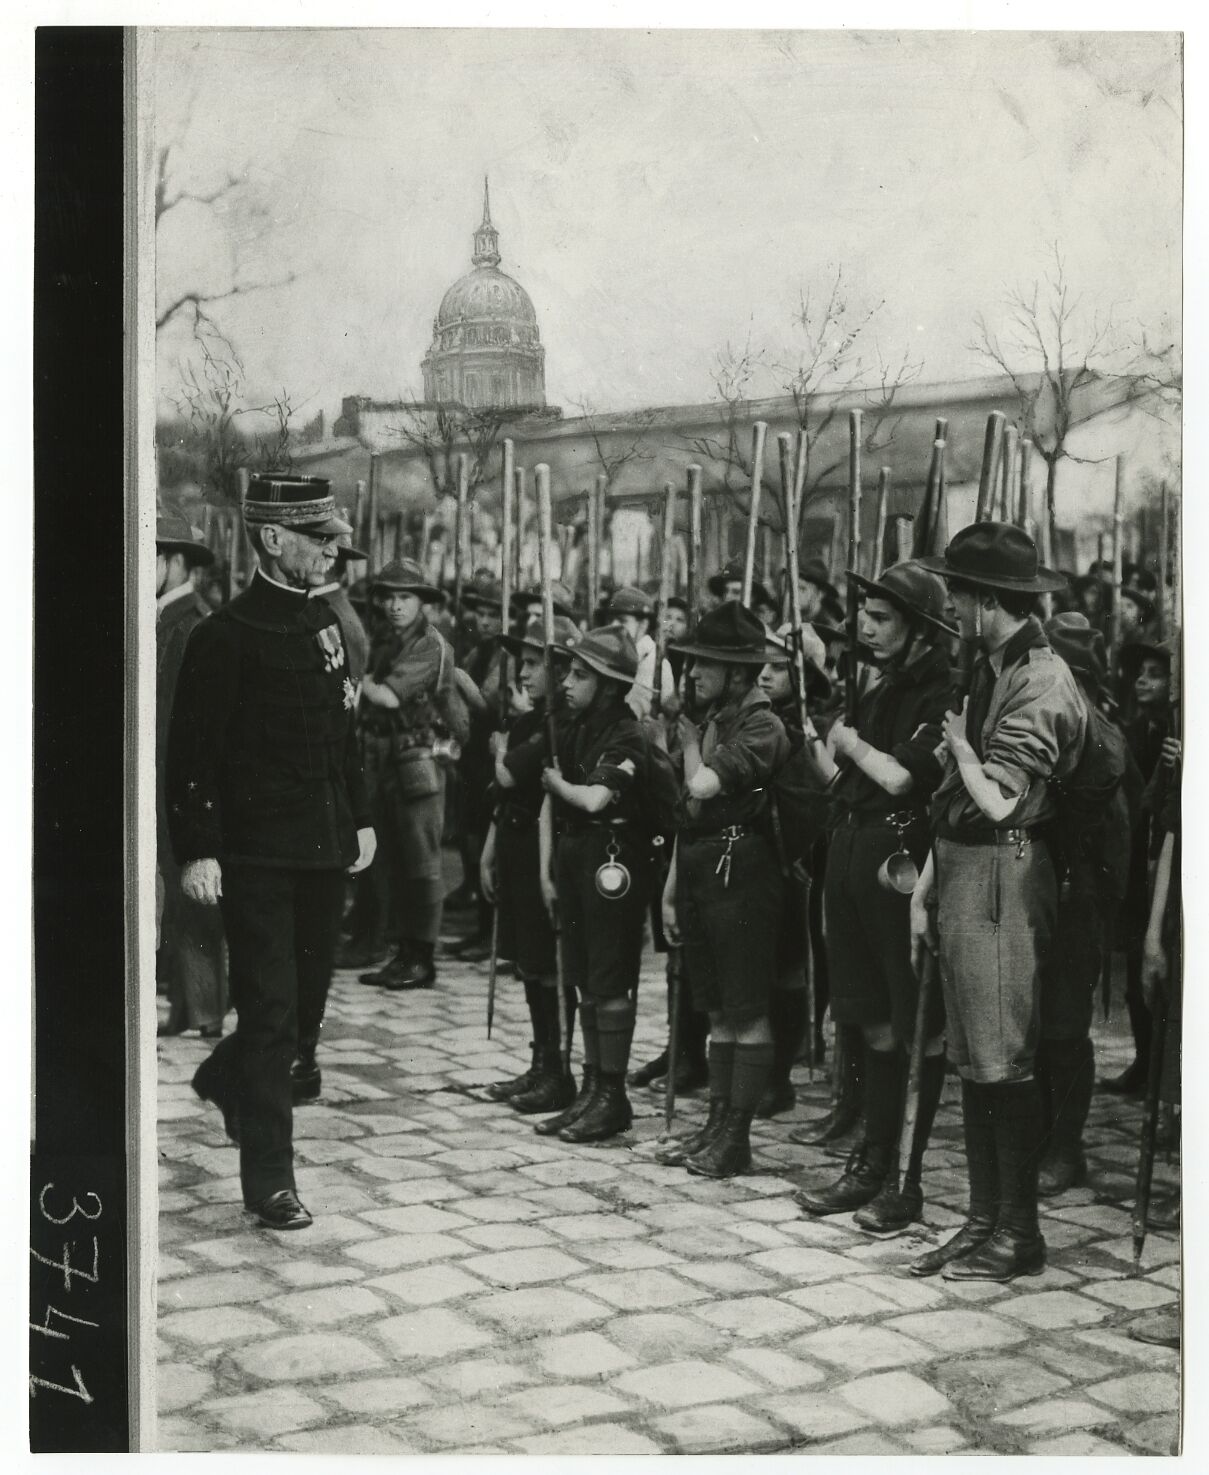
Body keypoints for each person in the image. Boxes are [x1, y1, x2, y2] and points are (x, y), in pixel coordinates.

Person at [166, 473, 375, 1231]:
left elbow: (343, 731)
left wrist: (362, 816)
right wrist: (200, 849)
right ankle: (270, 1181)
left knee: (303, 1014)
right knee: (274, 1012)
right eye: (318, 538)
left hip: (323, 847)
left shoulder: (323, 626)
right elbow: (193, 752)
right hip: (255, 855)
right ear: (274, 538)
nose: (331, 551)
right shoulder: (222, 635)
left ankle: (227, 1076)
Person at [910, 522, 1083, 1281]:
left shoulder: (1040, 677)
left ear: (986, 601)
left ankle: (1018, 1232)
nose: (950, 606)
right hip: (963, 870)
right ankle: (982, 1221)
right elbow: (955, 800)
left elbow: (1001, 801)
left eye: (957, 594)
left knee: (1002, 1056)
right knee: (973, 1055)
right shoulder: (990, 665)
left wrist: (963, 748)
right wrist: (925, 883)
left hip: (1002, 872)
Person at [793, 563, 954, 1232]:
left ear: (918, 630)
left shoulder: (943, 692)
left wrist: (847, 739)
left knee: (914, 1021)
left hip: (900, 863)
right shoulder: (874, 683)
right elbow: (841, 776)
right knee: (872, 1020)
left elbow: (894, 778)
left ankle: (904, 1178)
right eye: (863, 612)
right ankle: (871, 1158)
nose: (863, 624)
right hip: (854, 853)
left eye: (881, 617)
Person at [660, 602, 791, 1178]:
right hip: (703, 867)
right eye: (690, 662)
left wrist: (689, 743)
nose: (691, 673)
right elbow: (686, 811)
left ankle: (737, 1135)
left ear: (738, 671)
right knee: (716, 1008)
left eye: (705, 663)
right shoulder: (717, 717)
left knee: (745, 1007)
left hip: (743, 874)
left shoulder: (762, 724)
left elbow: (704, 785)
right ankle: (715, 1123)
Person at [535, 625, 658, 1143]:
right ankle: (591, 1089)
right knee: (584, 975)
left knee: (609, 979)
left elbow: (593, 800)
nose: (566, 682)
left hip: (614, 859)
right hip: (577, 854)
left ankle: (612, 1094)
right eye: (567, 671)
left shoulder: (627, 734)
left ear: (609, 686)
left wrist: (555, 783)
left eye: (580, 675)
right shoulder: (577, 726)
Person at [1035, 614, 1135, 1196]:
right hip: (1042, 893)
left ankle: (1066, 1149)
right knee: (1037, 1027)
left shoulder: (1102, 741)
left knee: (1065, 1028)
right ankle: (1045, 1136)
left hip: (1078, 904)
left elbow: (1114, 842)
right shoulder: (1059, 725)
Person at [480, 614, 580, 1113]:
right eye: (521, 662)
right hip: (516, 843)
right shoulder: (527, 718)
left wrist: (501, 752)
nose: (523, 672)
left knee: (546, 962)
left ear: (562, 671)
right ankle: (540, 1062)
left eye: (535, 663)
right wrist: (488, 851)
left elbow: (512, 776)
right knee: (527, 960)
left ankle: (559, 1070)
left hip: (545, 847)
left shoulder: (557, 724)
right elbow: (501, 796)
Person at [357, 558, 468, 992]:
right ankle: (403, 952)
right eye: (390, 596)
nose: (396, 605)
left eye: (406, 597)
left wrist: (355, 678)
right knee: (398, 862)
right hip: (389, 758)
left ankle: (421, 957)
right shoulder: (388, 639)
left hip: (419, 758)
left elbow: (385, 697)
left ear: (422, 602)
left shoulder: (429, 644)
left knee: (422, 863)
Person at [155, 510, 227, 1040]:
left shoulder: (192, 623)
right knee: (175, 892)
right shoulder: (165, 617)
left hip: (182, 776)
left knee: (192, 888)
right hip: (161, 771)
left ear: (177, 562)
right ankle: (188, 1005)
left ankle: (203, 1007)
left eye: (152, 557)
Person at [755, 630, 832, 1117]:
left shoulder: (814, 726)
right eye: (762, 665)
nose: (764, 674)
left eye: (778, 667)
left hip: (800, 862)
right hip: (757, 858)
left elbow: (818, 800)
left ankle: (780, 1071)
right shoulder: (755, 720)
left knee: (790, 967)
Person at [1105, 639, 1174, 1095]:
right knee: (1134, 967)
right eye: (1140, 672)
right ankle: (1143, 1061)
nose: (1143, 680)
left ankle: (1162, 1067)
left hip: (1166, 861)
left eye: (1155, 672)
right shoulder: (1133, 730)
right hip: (1137, 860)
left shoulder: (1177, 731)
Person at [607, 585, 675, 721]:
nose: (613, 626)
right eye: (611, 619)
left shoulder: (656, 664)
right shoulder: (611, 652)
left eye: (622, 620)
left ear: (643, 624)